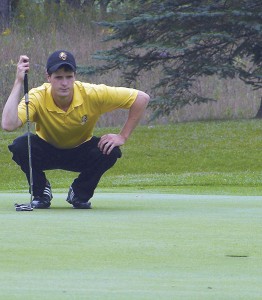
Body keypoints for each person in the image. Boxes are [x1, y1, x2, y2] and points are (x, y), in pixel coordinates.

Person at [1, 50, 150, 209]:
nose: (64, 83)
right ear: (48, 77)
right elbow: (8, 125)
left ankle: (79, 193)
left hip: (81, 151)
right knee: (20, 145)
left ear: (75, 76)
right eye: (58, 77)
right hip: (46, 150)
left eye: (69, 76)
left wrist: (123, 136)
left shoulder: (92, 93)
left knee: (111, 150)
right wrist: (18, 81)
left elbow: (141, 99)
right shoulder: (37, 96)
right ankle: (41, 191)